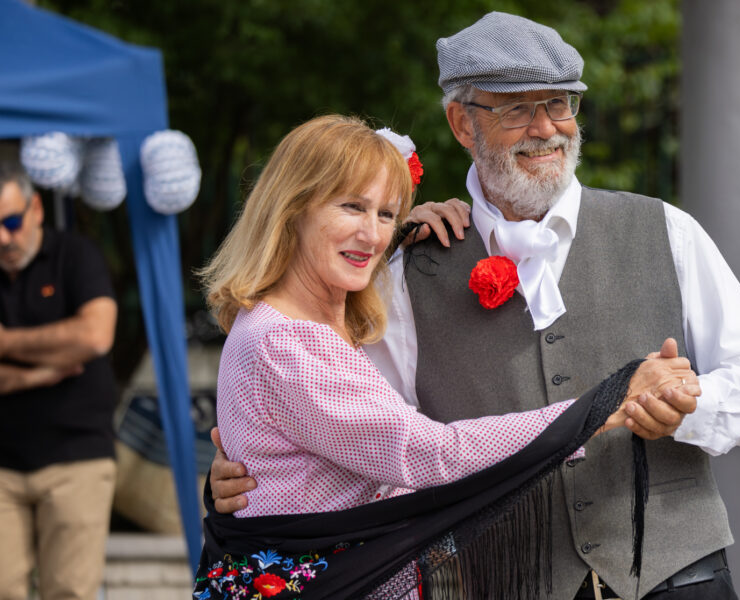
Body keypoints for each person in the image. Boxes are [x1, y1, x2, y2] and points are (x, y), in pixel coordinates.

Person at [211, 12, 740, 600]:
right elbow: (360, 454)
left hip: (679, 579)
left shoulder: (666, 230)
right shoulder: (402, 275)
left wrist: (689, 407)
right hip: (501, 583)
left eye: (560, 103)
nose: (545, 127)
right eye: (516, 108)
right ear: (461, 124)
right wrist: (234, 485)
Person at [194, 114, 699, 600]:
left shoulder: (309, 322)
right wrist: (603, 405)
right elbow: (429, 453)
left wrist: (407, 231)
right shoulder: (288, 341)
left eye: (386, 213)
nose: (373, 235)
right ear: (293, 208)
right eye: (351, 207)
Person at [0, 162, 118, 599]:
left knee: (69, 591)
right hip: (3, 465)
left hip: (76, 458)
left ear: (35, 208)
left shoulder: (77, 254)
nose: (3, 238)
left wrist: (6, 342)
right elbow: (79, 341)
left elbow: (95, 335)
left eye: (10, 222)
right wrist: (44, 372)